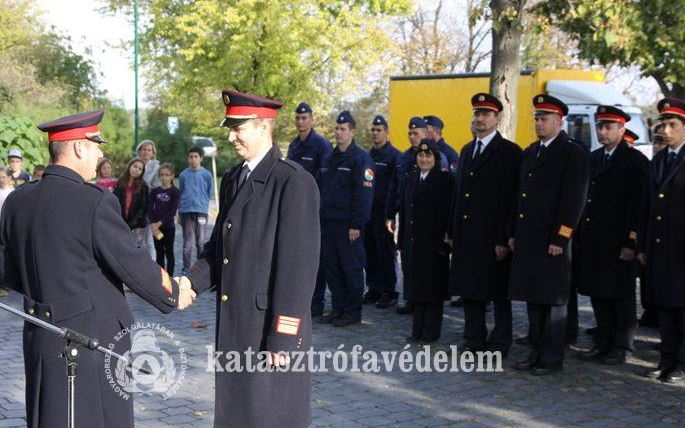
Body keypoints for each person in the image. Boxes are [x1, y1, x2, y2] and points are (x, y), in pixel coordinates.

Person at [0, 109, 194, 428]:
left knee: (47, 415)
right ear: (79, 147)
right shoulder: (94, 201)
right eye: (96, 145)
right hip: (89, 342)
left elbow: (8, 271)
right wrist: (174, 292)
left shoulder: (17, 200)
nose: (100, 153)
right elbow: (131, 263)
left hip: (39, 334)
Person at [177, 90, 319, 427]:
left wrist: (283, 336)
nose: (231, 136)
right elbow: (219, 249)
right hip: (235, 324)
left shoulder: (293, 182)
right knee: (235, 414)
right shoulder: (233, 178)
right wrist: (190, 282)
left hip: (266, 330)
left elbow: (298, 268)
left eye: (238, 128)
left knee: (267, 415)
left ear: (263, 127)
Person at [508, 94, 590, 376]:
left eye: (544, 119)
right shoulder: (531, 152)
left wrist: (561, 237)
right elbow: (519, 197)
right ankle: (535, 351)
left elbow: (574, 200)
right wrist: (513, 232)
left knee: (553, 301)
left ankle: (551, 356)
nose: (539, 124)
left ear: (559, 121)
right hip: (530, 238)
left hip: (552, 239)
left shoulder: (572, 153)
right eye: (537, 119)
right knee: (534, 297)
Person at [448, 93, 521, 356]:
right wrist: (453, 231)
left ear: (497, 118)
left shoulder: (510, 153)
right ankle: (473, 338)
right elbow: (460, 196)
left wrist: (505, 237)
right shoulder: (467, 150)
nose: (479, 119)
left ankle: (500, 341)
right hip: (469, 235)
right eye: (477, 114)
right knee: (470, 289)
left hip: (493, 236)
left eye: (485, 114)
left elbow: (512, 199)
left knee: (499, 293)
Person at [575, 106, 648, 366]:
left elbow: (639, 205)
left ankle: (622, 345)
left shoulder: (635, 161)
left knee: (621, 296)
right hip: (595, 238)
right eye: (600, 127)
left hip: (618, 240)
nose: (603, 132)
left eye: (608, 127)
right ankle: (603, 341)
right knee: (598, 293)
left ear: (621, 129)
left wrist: (631, 241)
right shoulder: (594, 158)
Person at [638, 98, 685, 384]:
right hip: (659, 247)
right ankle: (666, 359)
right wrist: (642, 244)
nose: (665, 130)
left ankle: (681, 363)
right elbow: (647, 206)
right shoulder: (659, 159)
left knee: (682, 309)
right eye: (663, 124)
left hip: (681, 247)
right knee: (664, 307)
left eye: (673, 125)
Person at [318, 110, 374, 327]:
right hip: (329, 223)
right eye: (337, 129)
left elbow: (363, 195)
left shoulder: (361, 159)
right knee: (332, 268)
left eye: (343, 129)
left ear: (352, 132)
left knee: (350, 268)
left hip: (348, 225)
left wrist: (356, 224)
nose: (339, 133)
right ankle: (338, 308)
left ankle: (352, 311)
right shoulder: (329, 158)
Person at [399, 139, 453, 343]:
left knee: (432, 291)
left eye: (428, 155)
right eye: (421, 155)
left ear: (436, 158)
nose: (424, 159)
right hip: (413, 242)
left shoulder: (444, 180)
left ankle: (430, 333)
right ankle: (417, 331)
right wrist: (402, 239)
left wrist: (446, 241)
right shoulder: (412, 177)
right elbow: (405, 211)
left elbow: (447, 213)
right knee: (416, 288)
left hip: (433, 244)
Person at [287, 102, 333, 317]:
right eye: (298, 118)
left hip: (316, 209)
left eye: (305, 118)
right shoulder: (294, 145)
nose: (301, 122)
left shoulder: (321, 145)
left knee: (317, 258)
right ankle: (301, 301)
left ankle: (317, 302)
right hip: (295, 209)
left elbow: (325, 179)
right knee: (297, 256)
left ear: (311, 119)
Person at [386, 117, 427, 315]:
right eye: (410, 133)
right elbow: (394, 188)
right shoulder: (403, 158)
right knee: (407, 257)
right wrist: (390, 214)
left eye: (416, 133)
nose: (412, 136)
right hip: (405, 215)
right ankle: (410, 298)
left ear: (425, 134)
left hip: (424, 218)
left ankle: (422, 300)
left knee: (422, 260)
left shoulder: (432, 156)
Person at [363, 114, 401, 309]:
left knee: (385, 251)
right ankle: (374, 287)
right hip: (368, 211)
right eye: (373, 130)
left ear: (386, 132)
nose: (375, 133)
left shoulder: (394, 156)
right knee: (370, 251)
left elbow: (396, 187)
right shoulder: (368, 155)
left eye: (379, 130)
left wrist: (391, 213)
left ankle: (389, 290)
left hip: (383, 212)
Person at [178, 146, 214, 273]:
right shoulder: (183, 175)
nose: (193, 159)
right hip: (186, 211)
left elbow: (209, 191)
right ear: (188, 159)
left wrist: (203, 204)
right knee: (188, 243)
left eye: (196, 157)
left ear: (201, 158)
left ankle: (199, 269)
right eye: (191, 157)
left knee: (200, 242)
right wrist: (179, 212)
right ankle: (186, 268)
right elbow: (180, 192)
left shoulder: (206, 175)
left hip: (201, 211)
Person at [148, 163, 181, 276]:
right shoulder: (154, 191)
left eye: (167, 175)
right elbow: (150, 208)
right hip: (157, 230)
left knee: (169, 252)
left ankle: (170, 277)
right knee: (159, 253)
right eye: (161, 175)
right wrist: (153, 224)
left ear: (172, 176)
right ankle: (161, 277)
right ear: (158, 176)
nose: (164, 177)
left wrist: (159, 223)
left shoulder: (175, 192)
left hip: (168, 228)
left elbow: (172, 211)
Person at [114, 158, 149, 247]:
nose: (136, 170)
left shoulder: (143, 186)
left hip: (137, 224)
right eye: (135, 166)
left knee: (135, 247)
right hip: (121, 221)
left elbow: (143, 207)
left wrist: (133, 223)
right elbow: (115, 201)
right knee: (121, 246)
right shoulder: (120, 182)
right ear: (130, 166)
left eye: (140, 169)